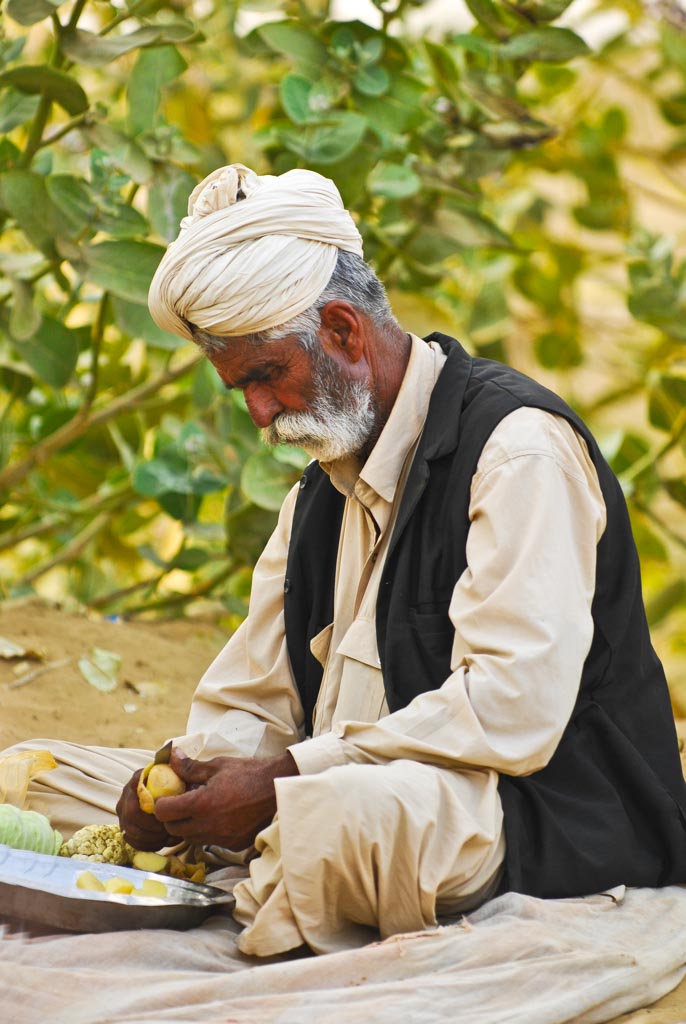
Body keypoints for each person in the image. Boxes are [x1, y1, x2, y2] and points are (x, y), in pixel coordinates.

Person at [8, 163, 686, 957]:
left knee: (321, 831)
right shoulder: (320, 492)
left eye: (267, 376)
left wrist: (289, 780)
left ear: (341, 330)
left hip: (538, 816)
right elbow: (252, 698)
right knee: (33, 776)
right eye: (242, 392)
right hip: (342, 787)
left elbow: (511, 710)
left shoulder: (517, 451)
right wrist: (187, 780)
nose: (259, 414)